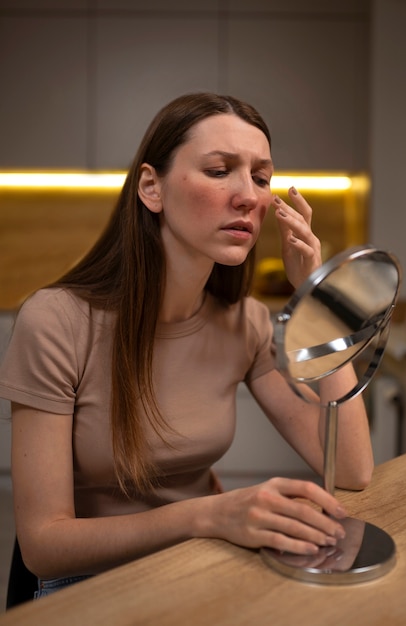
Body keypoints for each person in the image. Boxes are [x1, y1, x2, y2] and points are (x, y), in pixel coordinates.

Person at [0, 92, 374, 598]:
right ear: (151, 188)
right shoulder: (56, 322)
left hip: (197, 565)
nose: (248, 196)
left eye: (261, 179)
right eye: (220, 171)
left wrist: (319, 297)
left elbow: (352, 469)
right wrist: (210, 515)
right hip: (83, 586)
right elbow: (42, 545)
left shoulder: (246, 324)